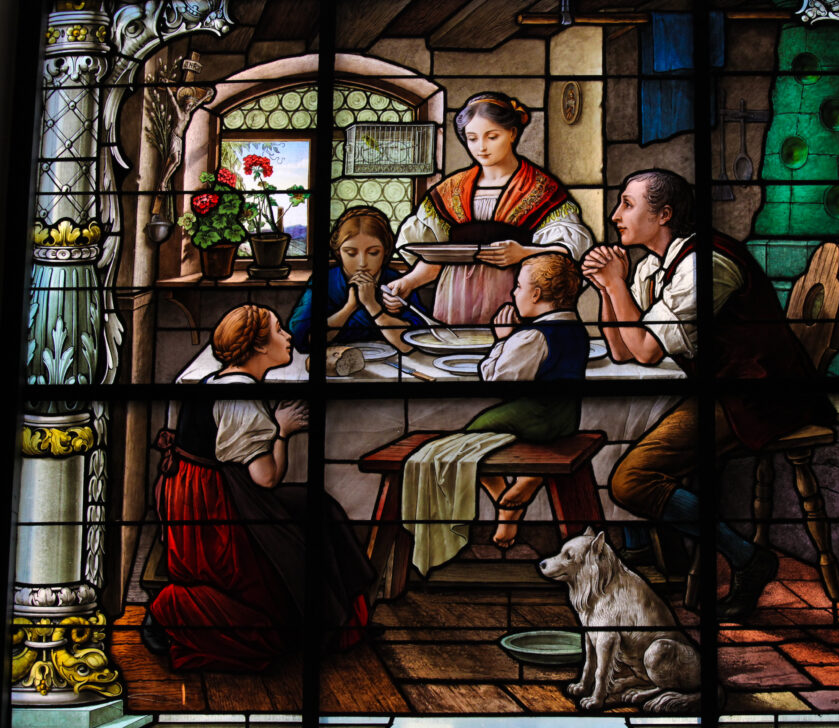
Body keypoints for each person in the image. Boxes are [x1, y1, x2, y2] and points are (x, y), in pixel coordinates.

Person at [582, 169, 833, 621]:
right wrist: (607, 286)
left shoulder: (705, 264)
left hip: (758, 396)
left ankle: (745, 557)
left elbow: (643, 348)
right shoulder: (652, 268)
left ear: (664, 214)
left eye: (627, 203)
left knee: (629, 481)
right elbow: (623, 348)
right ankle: (671, 560)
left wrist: (615, 284)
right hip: (722, 390)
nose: (616, 215)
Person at [146, 304, 375, 670]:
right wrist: (281, 431)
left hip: (203, 496)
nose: (288, 337)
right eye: (279, 331)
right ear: (257, 348)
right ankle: (172, 611)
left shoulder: (217, 382)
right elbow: (267, 478)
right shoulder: (242, 398)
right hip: (218, 510)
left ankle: (342, 617)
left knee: (317, 506)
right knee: (311, 522)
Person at [382, 92, 592, 325]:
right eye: (472, 138)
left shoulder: (541, 189)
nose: (481, 147)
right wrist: (407, 282)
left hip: (516, 294)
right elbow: (437, 255)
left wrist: (523, 253)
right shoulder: (450, 190)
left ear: (512, 133)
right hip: (455, 297)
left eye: (492, 137)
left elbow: (570, 252)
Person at [466, 253, 590, 547]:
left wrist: (502, 340)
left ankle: (508, 506)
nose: (513, 293)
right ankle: (525, 483)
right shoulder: (577, 329)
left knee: (471, 440)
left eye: (518, 287)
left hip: (536, 416)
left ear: (536, 294)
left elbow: (497, 382)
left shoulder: (531, 336)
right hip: (567, 417)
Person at [288, 206, 424, 354]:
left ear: (385, 251)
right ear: (338, 252)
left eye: (373, 253)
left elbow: (413, 342)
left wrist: (372, 306)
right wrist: (350, 307)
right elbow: (304, 340)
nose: (362, 263)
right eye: (351, 253)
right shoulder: (325, 281)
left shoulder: (396, 282)